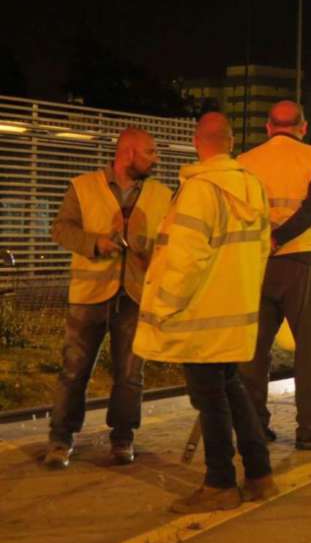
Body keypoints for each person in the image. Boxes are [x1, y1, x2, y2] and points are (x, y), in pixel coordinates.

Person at [134, 112, 277, 513]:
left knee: (210, 401)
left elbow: (186, 260)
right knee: (232, 390)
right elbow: (262, 250)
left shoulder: (200, 190)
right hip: (233, 315)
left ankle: (219, 484)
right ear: (230, 143)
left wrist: (163, 305)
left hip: (199, 317)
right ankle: (260, 474)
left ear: (198, 142)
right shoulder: (253, 187)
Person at [45, 128, 171, 469]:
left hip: (135, 294)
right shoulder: (83, 187)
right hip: (90, 295)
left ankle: (123, 438)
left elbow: (170, 243)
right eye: (150, 152)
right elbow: (61, 229)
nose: (156, 158)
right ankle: (61, 439)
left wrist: (149, 253)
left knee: (130, 374)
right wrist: (95, 243)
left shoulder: (162, 195)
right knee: (74, 371)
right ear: (128, 153)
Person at [237, 101, 311, 449]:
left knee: (253, 348)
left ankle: (253, 425)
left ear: (269, 127)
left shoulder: (245, 162)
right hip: (301, 261)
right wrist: (281, 236)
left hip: (256, 264)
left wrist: (264, 240)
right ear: (302, 127)